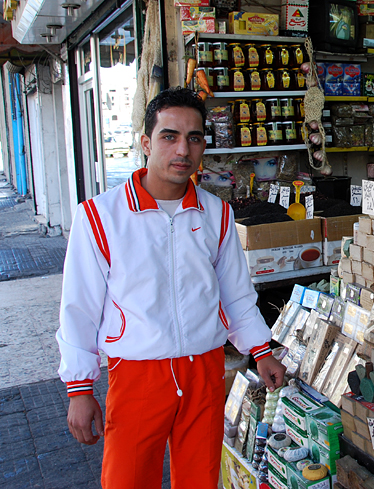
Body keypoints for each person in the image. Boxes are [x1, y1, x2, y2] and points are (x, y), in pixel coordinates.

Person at [56, 87, 286, 489]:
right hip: (137, 376)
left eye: (194, 138)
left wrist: (260, 349)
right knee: (127, 480)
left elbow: (235, 292)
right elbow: (79, 307)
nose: (183, 149)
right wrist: (80, 387)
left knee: (200, 479)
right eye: (169, 136)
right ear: (146, 142)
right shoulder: (99, 216)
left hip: (204, 371)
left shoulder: (216, 213)